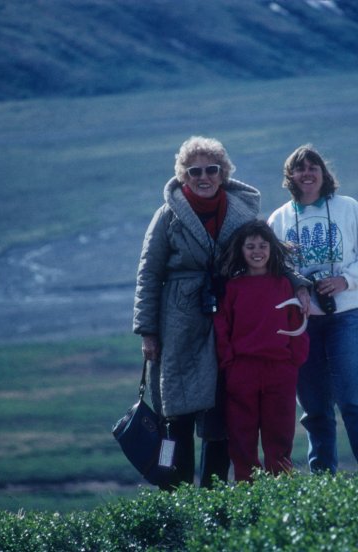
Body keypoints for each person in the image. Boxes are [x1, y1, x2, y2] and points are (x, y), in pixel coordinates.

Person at [133, 136, 258, 489]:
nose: (204, 177)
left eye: (211, 169)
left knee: (220, 410)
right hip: (178, 324)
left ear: (223, 172)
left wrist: (297, 285)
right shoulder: (167, 216)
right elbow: (148, 273)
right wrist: (147, 331)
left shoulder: (242, 213)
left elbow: (263, 255)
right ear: (184, 176)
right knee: (177, 411)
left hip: (225, 321)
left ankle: (213, 495)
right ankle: (177, 492)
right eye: (195, 171)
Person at [268, 144, 358, 474]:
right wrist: (299, 289)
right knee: (314, 406)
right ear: (289, 176)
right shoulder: (279, 218)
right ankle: (324, 480)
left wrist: (344, 281)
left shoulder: (349, 208)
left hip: (348, 314)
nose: (307, 173)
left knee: (355, 396)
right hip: (303, 320)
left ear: (324, 173)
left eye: (313, 167)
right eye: (299, 168)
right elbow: (275, 270)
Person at [213, 220, 310, 482]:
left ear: (272, 248)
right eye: (250, 246)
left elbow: (296, 324)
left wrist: (293, 362)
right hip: (242, 369)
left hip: (280, 369)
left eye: (263, 245)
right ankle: (248, 489)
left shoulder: (283, 284)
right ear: (240, 250)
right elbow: (222, 327)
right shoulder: (233, 287)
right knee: (241, 436)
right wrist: (229, 364)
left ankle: (280, 489)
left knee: (279, 434)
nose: (257, 251)